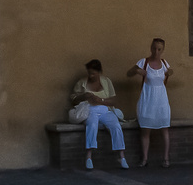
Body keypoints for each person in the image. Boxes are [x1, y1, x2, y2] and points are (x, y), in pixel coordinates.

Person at [71, 60, 128, 170]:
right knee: (92, 125)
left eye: (93, 73)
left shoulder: (106, 82)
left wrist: (100, 100)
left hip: (105, 110)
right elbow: (73, 100)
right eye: (89, 73)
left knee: (116, 125)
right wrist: (84, 96)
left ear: (99, 72)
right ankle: (89, 157)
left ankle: (121, 156)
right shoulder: (82, 83)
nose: (91, 76)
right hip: (89, 110)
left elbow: (113, 101)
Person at [127, 39, 172, 167]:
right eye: (154, 48)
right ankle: (145, 159)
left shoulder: (164, 63)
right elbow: (128, 73)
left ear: (162, 50)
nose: (156, 52)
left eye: (159, 49)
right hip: (148, 100)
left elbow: (170, 72)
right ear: (150, 48)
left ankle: (166, 158)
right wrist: (136, 71)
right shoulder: (144, 62)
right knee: (145, 130)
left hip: (161, 100)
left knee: (164, 129)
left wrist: (171, 72)